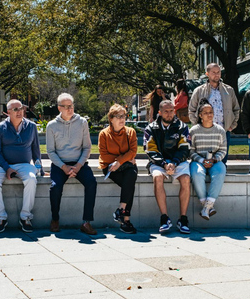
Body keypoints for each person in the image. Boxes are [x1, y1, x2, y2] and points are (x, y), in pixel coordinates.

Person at [47, 93, 98, 235]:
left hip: (79, 163)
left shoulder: (82, 122)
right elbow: (50, 151)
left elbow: (87, 147)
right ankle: (55, 219)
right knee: (55, 187)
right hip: (60, 164)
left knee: (92, 183)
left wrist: (79, 166)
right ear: (59, 108)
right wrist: (64, 167)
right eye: (66, 106)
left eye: (72, 106)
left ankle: (86, 222)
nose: (70, 109)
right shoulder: (52, 126)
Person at [0, 99, 42, 233]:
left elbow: (36, 150)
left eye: (21, 108)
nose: (19, 112)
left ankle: (25, 217)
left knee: (31, 179)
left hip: (25, 165)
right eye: (15, 109)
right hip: (2, 165)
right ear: (8, 113)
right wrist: (7, 168)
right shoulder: (0, 128)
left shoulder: (31, 127)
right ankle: (1, 217)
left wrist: (39, 169)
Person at [144, 100, 192, 234]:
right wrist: (164, 164)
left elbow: (185, 148)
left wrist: (174, 162)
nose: (169, 114)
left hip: (178, 161)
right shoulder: (151, 128)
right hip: (159, 163)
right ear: (159, 112)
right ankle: (164, 218)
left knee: (186, 179)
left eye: (171, 111)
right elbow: (150, 150)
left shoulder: (182, 126)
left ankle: (183, 219)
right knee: (158, 178)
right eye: (166, 111)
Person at [188, 62, 240, 165]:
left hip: (223, 131)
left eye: (218, 72)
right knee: (203, 162)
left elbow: (236, 109)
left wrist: (231, 126)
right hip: (203, 133)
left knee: (221, 163)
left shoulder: (229, 90)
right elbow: (191, 110)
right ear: (207, 74)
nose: (216, 75)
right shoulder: (199, 91)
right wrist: (197, 125)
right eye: (213, 72)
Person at [99, 104, 138, 234]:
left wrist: (120, 161)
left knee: (131, 175)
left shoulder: (130, 132)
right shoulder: (103, 134)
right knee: (129, 184)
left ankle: (121, 211)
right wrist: (123, 159)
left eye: (124, 116)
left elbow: (133, 151)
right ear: (111, 119)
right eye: (118, 116)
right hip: (110, 167)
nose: (122, 119)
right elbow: (104, 155)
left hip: (126, 167)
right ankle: (125, 221)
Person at [188, 100, 228, 220]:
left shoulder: (220, 130)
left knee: (221, 171)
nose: (209, 115)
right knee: (197, 173)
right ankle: (207, 206)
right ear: (200, 115)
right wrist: (201, 160)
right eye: (206, 113)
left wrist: (215, 160)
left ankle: (206, 207)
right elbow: (191, 151)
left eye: (211, 112)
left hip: (215, 161)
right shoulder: (194, 131)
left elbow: (223, 150)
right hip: (198, 161)